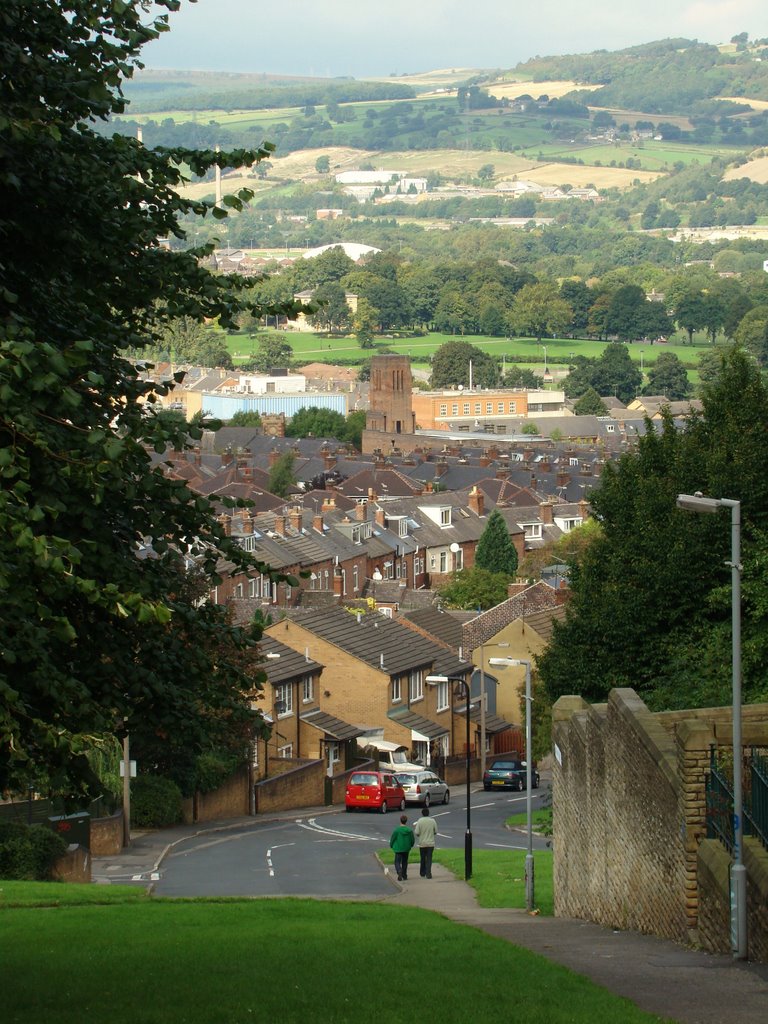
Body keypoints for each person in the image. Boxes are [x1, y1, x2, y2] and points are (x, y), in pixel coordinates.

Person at [412, 806, 438, 878]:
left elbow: (417, 832)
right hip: (430, 843)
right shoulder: (432, 821)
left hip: (422, 843)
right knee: (429, 858)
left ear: (422, 813)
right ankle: (428, 873)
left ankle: (422, 872)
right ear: (428, 813)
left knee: (423, 858)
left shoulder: (420, 821)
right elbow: (436, 831)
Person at [389, 813, 414, 881]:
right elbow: (412, 839)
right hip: (406, 848)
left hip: (398, 848)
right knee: (405, 862)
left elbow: (393, 839)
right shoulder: (409, 830)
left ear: (400, 821)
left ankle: (399, 871)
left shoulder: (397, 830)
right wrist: (411, 845)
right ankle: (404, 875)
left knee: (397, 862)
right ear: (406, 821)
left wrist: (391, 845)